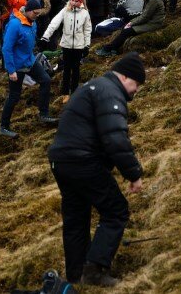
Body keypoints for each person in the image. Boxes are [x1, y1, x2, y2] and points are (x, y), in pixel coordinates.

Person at [47, 52, 145, 286]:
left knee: (76, 217)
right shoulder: (110, 93)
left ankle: (76, 274)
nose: (136, 90)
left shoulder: (94, 87)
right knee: (116, 210)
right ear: (124, 77)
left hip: (61, 160)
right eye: (136, 83)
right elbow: (115, 139)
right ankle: (95, 270)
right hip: (83, 161)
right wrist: (133, 174)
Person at [0, 0, 58, 138]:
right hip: (17, 66)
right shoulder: (15, 24)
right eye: (35, 13)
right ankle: (4, 127)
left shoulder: (32, 22)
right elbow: (6, 48)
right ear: (28, 10)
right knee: (14, 96)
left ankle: (43, 114)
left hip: (30, 61)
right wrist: (11, 70)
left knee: (46, 80)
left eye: (38, 13)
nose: (37, 16)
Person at [41, 0, 91, 100]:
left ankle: (74, 92)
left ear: (81, 2)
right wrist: (45, 37)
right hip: (66, 45)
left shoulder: (85, 13)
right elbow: (54, 23)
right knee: (67, 69)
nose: (74, 3)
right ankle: (65, 93)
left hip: (79, 46)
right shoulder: (65, 11)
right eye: (72, 0)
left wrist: (87, 45)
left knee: (76, 69)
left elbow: (87, 30)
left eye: (76, 1)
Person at [96, 0, 164, 57]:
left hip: (153, 24)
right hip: (151, 22)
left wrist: (131, 23)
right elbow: (144, 15)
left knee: (126, 31)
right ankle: (114, 50)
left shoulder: (153, 0)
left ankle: (107, 50)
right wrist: (131, 22)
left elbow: (145, 17)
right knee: (125, 28)